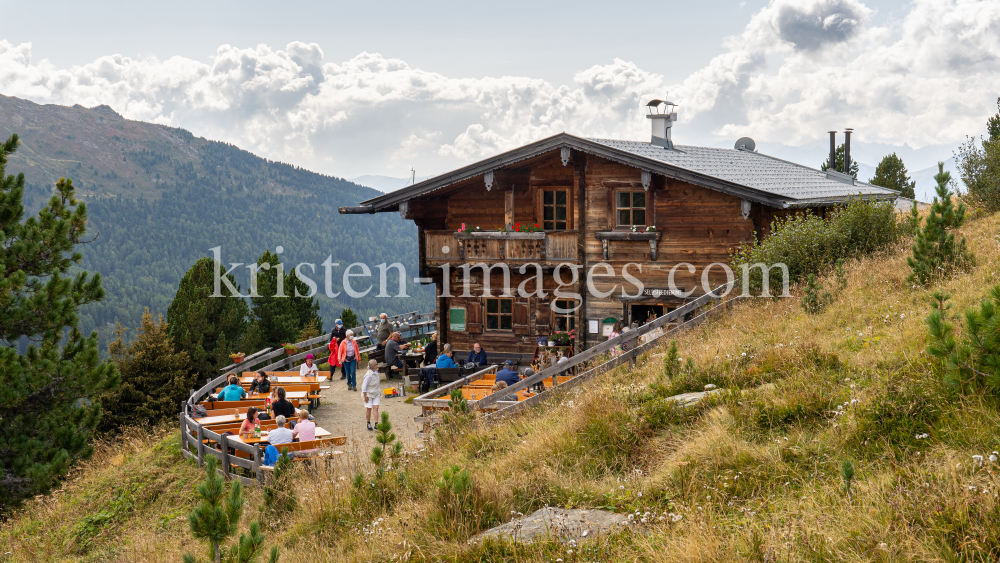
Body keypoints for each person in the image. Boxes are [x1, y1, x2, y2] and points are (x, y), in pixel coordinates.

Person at [361, 359, 382, 431]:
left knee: (376, 408)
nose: (377, 365)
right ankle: (368, 423)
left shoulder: (376, 372)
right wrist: (365, 396)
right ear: (373, 366)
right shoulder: (368, 375)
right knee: (369, 409)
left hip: (375, 393)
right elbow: (364, 387)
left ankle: (376, 424)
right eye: (376, 364)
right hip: (368, 394)